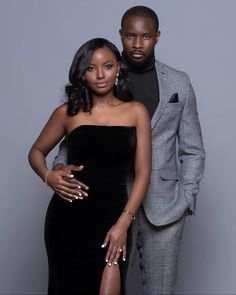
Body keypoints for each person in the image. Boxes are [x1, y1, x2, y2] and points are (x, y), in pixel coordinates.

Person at [51, 6, 205, 295]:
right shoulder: (103, 74)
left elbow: (193, 148)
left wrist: (186, 198)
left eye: (145, 36)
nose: (137, 44)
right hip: (105, 205)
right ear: (120, 35)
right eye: (130, 36)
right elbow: (76, 136)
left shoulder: (179, 83)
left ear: (157, 37)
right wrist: (59, 168)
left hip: (165, 210)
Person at [28, 37, 151, 295]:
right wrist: (48, 176)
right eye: (91, 68)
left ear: (118, 67)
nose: (100, 75)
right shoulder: (67, 113)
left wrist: (123, 223)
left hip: (114, 218)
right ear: (81, 73)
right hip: (68, 219)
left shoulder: (136, 111)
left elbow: (143, 174)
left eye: (107, 66)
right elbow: (36, 152)